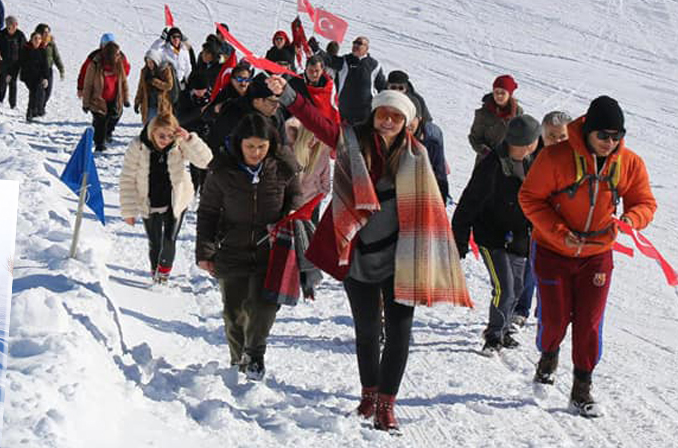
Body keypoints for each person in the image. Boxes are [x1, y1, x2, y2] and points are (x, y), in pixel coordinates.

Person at [268, 78, 471, 432]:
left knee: (399, 331)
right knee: (366, 330)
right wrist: (288, 95)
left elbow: (431, 206)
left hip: (401, 257)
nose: (388, 121)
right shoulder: (352, 142)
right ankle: (368, 393)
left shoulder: (417, 156)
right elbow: (318, 122)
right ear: (374, 114)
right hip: (357, 251)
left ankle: (386, 405)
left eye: (396, 116)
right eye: (383, 114)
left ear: (407, 121)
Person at [519, 96, 656, 418]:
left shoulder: (629, 163)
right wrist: (556, 229)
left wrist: (631, 220)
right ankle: (548, 354)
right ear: (588, 131)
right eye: (603, 136)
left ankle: (581, 388)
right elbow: (529, 198)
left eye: (616, 136)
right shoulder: (555, 157)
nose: (611, 142)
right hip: (553, 250)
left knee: (589, 323)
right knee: (554, 319)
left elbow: (645, 202)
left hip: (597, 255)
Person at [196, 114, 301, 380]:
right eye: (250, 146)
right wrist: (205, 251)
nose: (256, 153)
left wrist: (291, 211)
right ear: (239, 144)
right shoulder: (222, 170)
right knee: (235, 312)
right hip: (232, 248)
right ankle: (238, 361)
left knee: (264, 305)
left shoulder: (283, 166)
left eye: (261, 147)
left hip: (271, 250)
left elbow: (296, 197)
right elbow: (208, 211)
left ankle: (254, 354)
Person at [452, 115, 541, 355]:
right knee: (505, 287)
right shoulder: (491, 166)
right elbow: (467, 203)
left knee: (519, 285)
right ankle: (493, 336)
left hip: (520, 236)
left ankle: (502, 331)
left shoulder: (535, 161)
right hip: (491, 237)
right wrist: (459, 240)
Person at [121, 112, 212, 283]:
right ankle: (155, 271)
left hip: (176, 200)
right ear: (152, 131)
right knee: (155, 242)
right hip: (149, 201)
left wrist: (190, 139)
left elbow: (206, 161)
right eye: (161, 135)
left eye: (169, 136)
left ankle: (163, 275)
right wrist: (129, 211)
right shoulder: (138, 146)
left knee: (169, 239)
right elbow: (127, 178)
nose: (165, 140)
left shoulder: (179, 144)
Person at [511, 110, 573, 327]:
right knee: (531, 265)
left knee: (557, 269)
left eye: (562, 136)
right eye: (551, 136)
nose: (556, 141)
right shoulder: (531, 158)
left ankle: (547, 309)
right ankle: (521, 308)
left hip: (566, 223)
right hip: (535, 221)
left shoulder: (577, 160)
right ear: (542, 136)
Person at [324, 36, 387, 125]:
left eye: (359, 43)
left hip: (365, 113)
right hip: (344, 111)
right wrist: (316, 49)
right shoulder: (345, 60)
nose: (356, 45)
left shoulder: (374, 65)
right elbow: (327, 60)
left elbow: (382, 87)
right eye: (354, 43)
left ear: (367, 48)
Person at [81, 40, 130, 152]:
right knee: (101, 121)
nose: (119, 56)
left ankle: (106, 133)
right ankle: (100, 143)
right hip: (98, 99)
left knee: (114, 116)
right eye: (116, 54)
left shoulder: (119, 64)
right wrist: (86, 103)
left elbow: (123, 82)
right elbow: (88, 84)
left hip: (114, 98)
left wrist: (126, 99)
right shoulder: (95, 64)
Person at [175, 71, 216, 194]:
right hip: (191, 136)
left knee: (207, 165)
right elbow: (181, 118)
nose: (200, 93)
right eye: (198, 90)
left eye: (203, 90)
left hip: (208, 136)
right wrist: (200, 111)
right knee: (195, 166)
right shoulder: (184, 97)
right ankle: (194, 188)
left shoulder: (212, 96)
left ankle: (204, 191)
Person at [469, 74, 523, 163]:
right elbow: (474, 138)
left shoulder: (517, 113)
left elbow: (521, 138)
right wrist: (486, 153)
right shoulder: (483, 113)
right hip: (486, 161)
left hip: (508, 162)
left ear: (509, 94)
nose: (499, 96)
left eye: (503, 93)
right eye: (496, 92)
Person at [0, 15, 27, 108]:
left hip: (15, 63)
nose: (14, 27)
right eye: (11, 25)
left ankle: (13, 104)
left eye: (15, 25)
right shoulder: (1, 34)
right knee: (3, 81)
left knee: (13, 82)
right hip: (3, 62)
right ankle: (0, 100)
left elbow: (24, 49)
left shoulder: (20, 35)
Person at [134, 49, 176, 123]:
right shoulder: (145, 72)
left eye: (151, 62)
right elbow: (141, 88)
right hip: (148, 104)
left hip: (162, 104)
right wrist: (137, 102)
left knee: (161, 127)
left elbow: (169, 85)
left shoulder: (165, 70)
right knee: (149, 127)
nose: (149, 65)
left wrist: (154, 81)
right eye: (147, 62)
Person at [19, 30, 52, 122]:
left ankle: (35, 111)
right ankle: (30, 113)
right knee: (34, 92)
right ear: (31, 40)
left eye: (39, 39)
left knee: (38, 92)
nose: (37, 41)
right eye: (35, 39)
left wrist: (46, 77)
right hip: (28, 76)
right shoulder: (25, 49)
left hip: (39, 76)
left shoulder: (42, 50)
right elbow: (20, 63)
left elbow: (45, 65)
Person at [35, 23, 64, 112]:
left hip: (48, 70)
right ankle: (38, 109)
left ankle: (41, 107)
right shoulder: (35, 42)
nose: (47, 34)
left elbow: (56, 56)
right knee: (40, 91)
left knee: (48, 92)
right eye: (45, 32)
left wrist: (61, 69)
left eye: (48, 32)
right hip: (37, 70)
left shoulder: (51, 44)